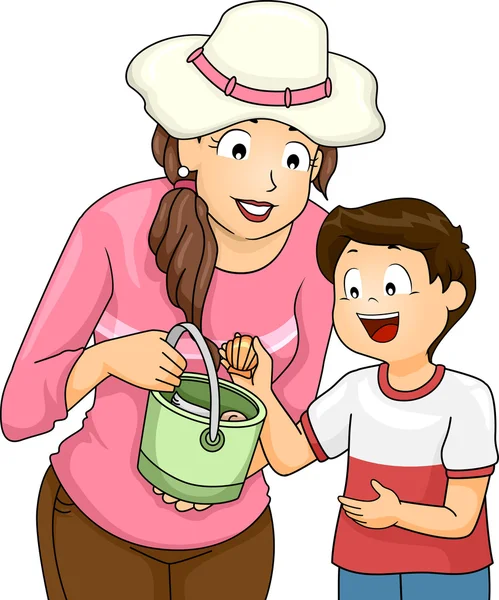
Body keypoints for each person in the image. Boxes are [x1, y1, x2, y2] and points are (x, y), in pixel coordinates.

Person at [0, 2, 384, 599]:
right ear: (188, 150)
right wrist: (106, 360)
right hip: (97, 529)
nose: (268, 184)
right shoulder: (115, 225)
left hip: (235, 539)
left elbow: (295, 427)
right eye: (238, 149)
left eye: (293, 158)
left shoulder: (321, 247)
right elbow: (19, 411)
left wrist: (216, 474)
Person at [226, 198, 498, 600]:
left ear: (451, 294)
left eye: (393, 286)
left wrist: (396, 513)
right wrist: (260, 389)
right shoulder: (355, 390)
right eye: (350, 289)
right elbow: (287, 458)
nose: (368, 305)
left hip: (446, 572)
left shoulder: (467, 399)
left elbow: (462, 518)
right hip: (363, 569)